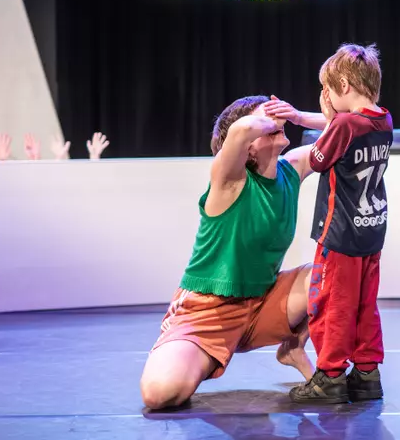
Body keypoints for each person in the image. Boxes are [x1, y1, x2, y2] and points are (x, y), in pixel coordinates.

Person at [139, 94, 328, 410]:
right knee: (159, 394)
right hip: (208, 311)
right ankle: (181, 346)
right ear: (248, 146)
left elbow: (351, 129)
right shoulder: (230, 181)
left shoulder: (292, 169)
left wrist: (299, 116)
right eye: (263, 116)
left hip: (263, 302)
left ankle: (293, 348)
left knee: (330, 272)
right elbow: (240, 131)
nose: (274, 118)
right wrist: (267, 118)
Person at [289, 43, 393, 404]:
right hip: (371, 230)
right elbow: (345, 129)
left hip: (342, 233)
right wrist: (310, 117)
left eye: (329, 91)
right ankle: (366, 374)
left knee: (332, 304)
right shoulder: (382, 119)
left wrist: (325, 115)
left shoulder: (345, 123)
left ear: (344, 85)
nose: (328, 99)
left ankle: (330, 375)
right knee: (366, 305)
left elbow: (318, 159)